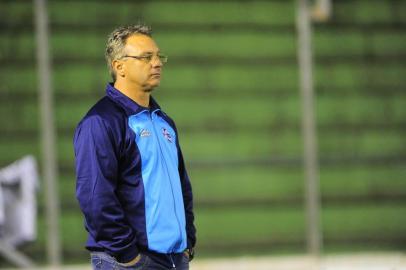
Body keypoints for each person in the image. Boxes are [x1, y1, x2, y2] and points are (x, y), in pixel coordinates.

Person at [73, 24, 196, 270]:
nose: (157, 63)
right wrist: (128, 255)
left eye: (159, 56)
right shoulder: (100, 122)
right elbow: (95, 197)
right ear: (120, 66)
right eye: (146, 57)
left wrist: (188, 240)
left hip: (174, 259)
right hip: (130, 261)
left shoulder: (164, 122)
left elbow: (182, 185)